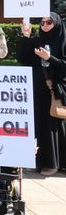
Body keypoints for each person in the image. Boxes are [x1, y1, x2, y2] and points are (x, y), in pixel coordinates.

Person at [17, 13, 66, 175]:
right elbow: (22, 58)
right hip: (37, 90)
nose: (45, 25)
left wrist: (49, 57)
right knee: (38, 124)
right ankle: (39, 161)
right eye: (42, 22)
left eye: (49, 22)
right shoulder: (38, 41)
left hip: (55, 90)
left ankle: (54, 163)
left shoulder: (62, 41)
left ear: (56, 24)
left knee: (54, 125)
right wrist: (26, 36)